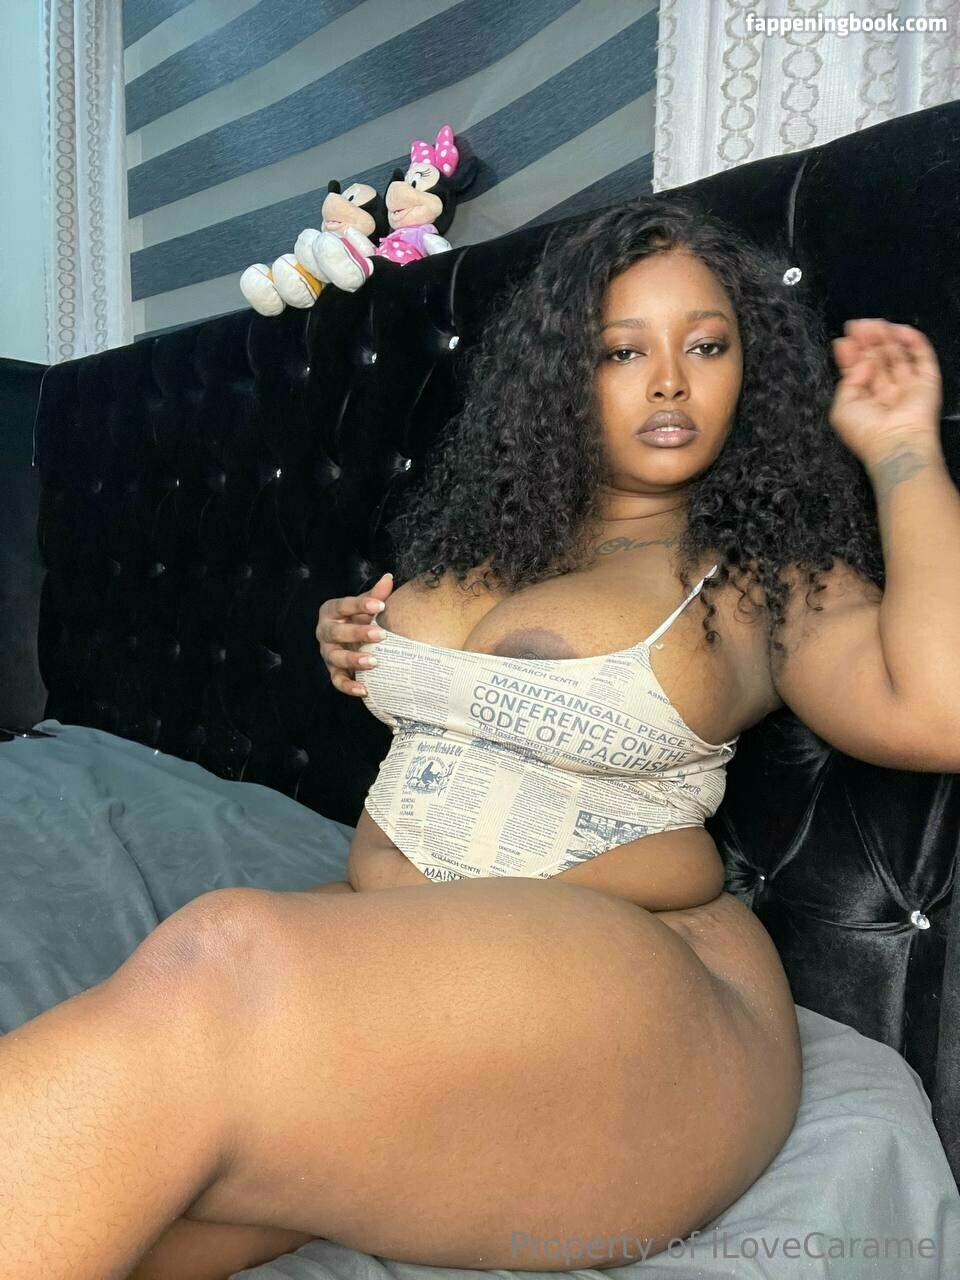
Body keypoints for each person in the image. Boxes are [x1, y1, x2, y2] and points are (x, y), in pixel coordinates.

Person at [0, 195, 950, 1280]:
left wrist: (902, 454)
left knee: (219, 953)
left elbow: (939, 706)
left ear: (751, 370)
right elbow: (464, 695)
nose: (669, 382)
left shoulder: (765, 574)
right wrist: (354, 640)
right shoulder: (495, 537)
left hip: (651, 994)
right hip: (441, 954)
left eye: (706, 345)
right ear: (560, 374)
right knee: (131, 1179)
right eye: (622, 350)